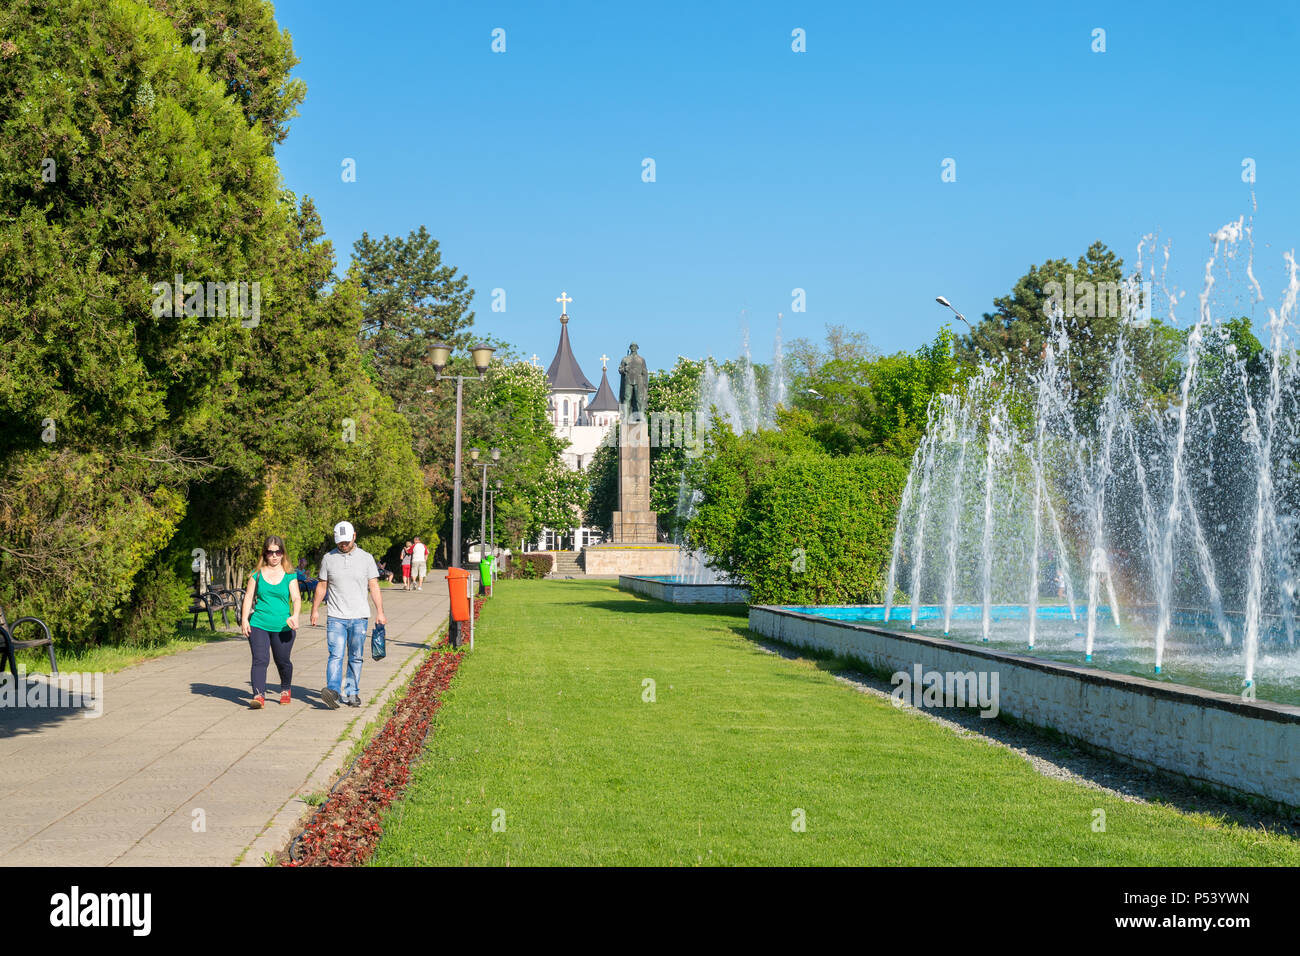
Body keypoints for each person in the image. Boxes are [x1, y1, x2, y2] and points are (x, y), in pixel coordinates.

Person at [311, 520, 386, 709]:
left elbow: (374, 585)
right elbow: (322, 585)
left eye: (346, 541)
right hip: (336, 617)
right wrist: (314, 610)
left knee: (356, 656)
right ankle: (333, 692)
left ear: (354, 536)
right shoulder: (329, 558)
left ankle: (352, 693)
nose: (343, 545)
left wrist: (380, 612)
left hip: (359, 617)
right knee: (335, 655)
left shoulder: (366, 558)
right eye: (340, 542)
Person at [239, 535, 301, 709]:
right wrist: (245, 619)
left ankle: (286, 689)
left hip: (283, 625)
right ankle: (258, 696)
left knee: (282, 661)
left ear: (283, 553)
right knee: (260, 660)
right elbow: (249, 597)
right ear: (265, 554)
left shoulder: (290, 575)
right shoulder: (256, 574)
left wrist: (295, 615)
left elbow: (296, 597)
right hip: (259, 623)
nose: (274, 556)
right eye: (270, 552)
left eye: (278, 552)